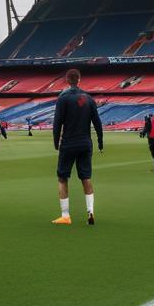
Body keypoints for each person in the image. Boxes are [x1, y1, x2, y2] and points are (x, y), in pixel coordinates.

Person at [52, 69, 103, 225]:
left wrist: (56, 143)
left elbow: (57, 123)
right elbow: (97, 123)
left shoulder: (63, 98)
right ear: (79, 80)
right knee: (86, 177)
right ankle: (90, 212)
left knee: (62, 178)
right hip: (85, 143)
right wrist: (100, 142)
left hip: (69, 143)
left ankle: (66, 216)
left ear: (67, 80)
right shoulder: (88, 98)